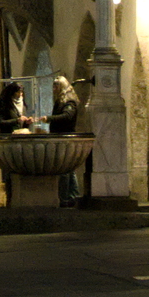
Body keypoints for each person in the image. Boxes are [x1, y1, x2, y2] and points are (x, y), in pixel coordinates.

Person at [50, 74, 81, 203]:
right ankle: (73, 196)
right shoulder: (60, 101)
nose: (53, 89)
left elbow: (67, 116)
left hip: (66, 137)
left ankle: (65, 198)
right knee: (69, 170)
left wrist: (48, 119)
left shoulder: (69, 102)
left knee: (65, 169)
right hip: (60, 136)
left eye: (56, 86)